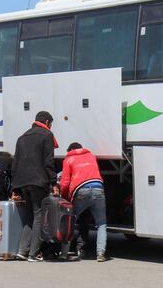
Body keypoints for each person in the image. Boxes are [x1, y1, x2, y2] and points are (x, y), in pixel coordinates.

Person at [12, 111, 59, 262]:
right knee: (39, 215)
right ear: (46, 122)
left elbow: (16, 163)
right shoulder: (46, 135)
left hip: (22, 182)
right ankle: (33, 253)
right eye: (50, 124)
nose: (50, 127)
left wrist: (15, 187)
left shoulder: (21, 137)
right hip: (38, 181)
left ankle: (22, 251)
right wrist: (53, 182)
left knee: (29, 216)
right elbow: (48, 162)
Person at [61, 143, 108, 261]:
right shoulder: (91, 156)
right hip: (98, 187)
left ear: (71, 149)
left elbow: (65, 182)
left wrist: (65, 197)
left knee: (71, 221)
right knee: (101, 223)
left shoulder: (69, 159)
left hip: (81, 190)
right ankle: (100, 254)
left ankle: (64, 252)